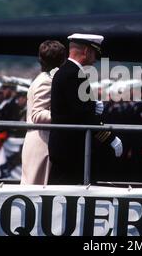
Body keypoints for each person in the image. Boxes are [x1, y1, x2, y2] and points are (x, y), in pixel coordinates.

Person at [48, 33, 123, 185]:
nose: (95, 59)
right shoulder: (73, 75)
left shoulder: (67, 72)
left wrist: (92, 105)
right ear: (87, 52)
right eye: (95, 53)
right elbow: (83, 115)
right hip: (70, 149)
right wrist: (110, 138)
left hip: (66, 147)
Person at [21, 40, 66, 185]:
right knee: (37, 192)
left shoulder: (44, 79)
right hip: (42, 143)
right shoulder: (46, 81)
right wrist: (66, 116)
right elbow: (38, 114)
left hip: (40, 139)